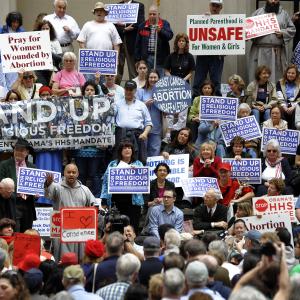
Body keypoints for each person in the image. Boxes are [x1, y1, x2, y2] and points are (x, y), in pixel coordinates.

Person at [44, 163, 95, 261]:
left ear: (77, 174)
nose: (71, 174)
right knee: (62, 257)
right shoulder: (57, 187)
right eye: (69, 172)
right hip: (62, 228)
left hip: (79, 229)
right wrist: (48, 184)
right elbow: (48, 196)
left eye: (73, 172)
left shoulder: (85, 189)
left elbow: (93, 205)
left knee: (80, 257)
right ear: (64, 173)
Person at [70, 81, 105, 198]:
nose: (89, 92)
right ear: (83, 92)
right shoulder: (77, 105)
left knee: (94, 174)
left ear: (96, 92)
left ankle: (96, 198)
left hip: (95, 149)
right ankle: (80, 197)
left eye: (92, 90)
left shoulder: (102, 106)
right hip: (80, 148)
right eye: (87, 90)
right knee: (82, 174)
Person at [100, 141, 144, 233]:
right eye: (124, 148)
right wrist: (104, 198)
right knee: (116, 228)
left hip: (133, 202)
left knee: (132, 228)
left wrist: (136, 172)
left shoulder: (138, 164)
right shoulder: (113, 164)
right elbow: (105, 182)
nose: (127, 150)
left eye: (129, 148)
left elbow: (143, 182)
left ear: (132, 150)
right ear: (120, 151)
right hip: (116, 201)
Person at [248, 0, 295, 83]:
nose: (273, 1)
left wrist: (283, 33)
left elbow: (292, 29)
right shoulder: (258, 13)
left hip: (276, 52)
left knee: (276, 76)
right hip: (259, 52)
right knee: (258, 75)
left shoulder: (284, 14)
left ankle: (276, 94)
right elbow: (247, 28)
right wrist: (251, 33)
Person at [163, 33, 195, 141]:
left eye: (183, 41)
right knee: (170, 112)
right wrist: (173, 79)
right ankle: (168, 135)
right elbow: (166, 70)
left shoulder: (189, 56)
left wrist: (183, 80)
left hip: (184, 86)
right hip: (172, 86)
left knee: (182, 113)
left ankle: (179, 135)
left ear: (186, 43)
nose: (181, 42)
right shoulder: (171, 56)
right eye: (179, 41)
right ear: (177, 42)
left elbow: (191, 72)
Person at [0, 138, 36, 233]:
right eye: (16, 149)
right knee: (14, 234)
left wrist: (36, 194)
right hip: (11, 204)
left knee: (27, 234)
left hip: (27, 205)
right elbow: (1, 186)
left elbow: (36, 189)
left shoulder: (33, 167)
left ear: (27, 152)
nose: (18, 152)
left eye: (22, 150)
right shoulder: (4, 165)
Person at [77, 2, 122, 75]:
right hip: (91, 62)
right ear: (94, 13)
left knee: (105, 85)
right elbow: (80, 40)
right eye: (97, 10)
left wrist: (116, 59)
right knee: (90, 83)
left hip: (107, 62)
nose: (99, 12)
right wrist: (86, 55)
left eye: (101, 10)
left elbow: (116, 43)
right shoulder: (88, 25)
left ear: (105, 13)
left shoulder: (111, 25)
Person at [114, 80, 152, 164]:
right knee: (119, 159)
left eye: (131, 90)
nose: (128, 92)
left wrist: (145, 133)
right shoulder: (117, 104)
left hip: (137, 136)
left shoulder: (141, 105)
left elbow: (148, 123)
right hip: (120, 135)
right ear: (124, 90)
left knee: (139, 159)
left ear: (135, 91)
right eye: (127, 89)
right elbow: (110, 119)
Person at [193, 0, 224, 97]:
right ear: (210, 6)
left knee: (216, 81)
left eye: (217, 6)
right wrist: (203, 19)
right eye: (213, 5)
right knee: (198, 80)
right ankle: (195, 103)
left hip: (217, 56)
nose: (215, 8)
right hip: (203, 54)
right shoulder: (203, 18)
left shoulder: (226, 21)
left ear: (221, 8)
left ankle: (217, 104)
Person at [135, 4, 173, 76]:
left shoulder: (164, 24)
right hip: (146, 58)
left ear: (158, 14)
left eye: (154, 14)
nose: (152, 16)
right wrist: (138, 60)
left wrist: (161, 31)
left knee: (159, 78)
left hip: (160, 58)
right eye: (150, 14)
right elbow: (137, 44)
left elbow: (170, 36)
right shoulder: (142, 26)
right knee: (147, 78)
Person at [115, 0, 145, 83]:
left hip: (132, 42)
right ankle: (114, 89)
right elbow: (112, 24)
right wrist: (124, 29)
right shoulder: (117, 6)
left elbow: (140, 22)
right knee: (117, 67)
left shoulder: (139, 5)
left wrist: (124, 24)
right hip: (118, 42)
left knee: (133, 69)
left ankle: (135, 89)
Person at [137, 69, 162, 157]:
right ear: (147, 79)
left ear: (159, 79)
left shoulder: (163, 92)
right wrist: (145, 104)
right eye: (151, 77)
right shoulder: (141, 91)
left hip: (156, 127)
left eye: (155, 77)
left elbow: (167, 110)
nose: (153, 79)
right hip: (143, 127)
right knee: (143, 151)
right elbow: (135, 107)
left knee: (155, 151)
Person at [35, 20, 63, 85]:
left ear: (50, 30)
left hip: (53, 70)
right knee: (43, 89)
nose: (45, 30)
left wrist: (49, 52)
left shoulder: (55, 42)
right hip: (40, 71)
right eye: (43, 29)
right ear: (39, 30)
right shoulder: (35, 42)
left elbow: (60, 58)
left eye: (47, 28)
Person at [276, 64, 300, 129]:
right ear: (286, 73)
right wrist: (284, 106)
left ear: (296, 74)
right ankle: (284, 131)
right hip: (284, 103)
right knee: (280, 110)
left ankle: (293, 132)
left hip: (296, 104)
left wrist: (294, 106)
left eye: (293, 73)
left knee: (295, 110)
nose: (290, 75)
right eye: (289, 73)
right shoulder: (280, 82)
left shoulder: (299, 83)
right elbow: (279, 96)